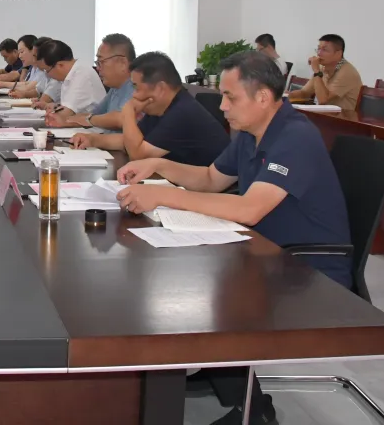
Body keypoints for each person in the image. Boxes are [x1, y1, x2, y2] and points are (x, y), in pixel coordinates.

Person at [117, 51, 352, 425]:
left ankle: (252, 410)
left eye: (230, 97)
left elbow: (249, 210)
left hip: (309, 269)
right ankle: (221, 373)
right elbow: (211, 179)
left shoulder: (295, 136)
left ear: (263, 97)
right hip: (264, 250)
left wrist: (162, 195)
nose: (223, 106)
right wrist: (158, 165)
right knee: (182, 274)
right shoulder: (252, 133)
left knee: (198, 288)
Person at [72, 51, 228, 164]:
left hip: (211, 193)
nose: (134, 95)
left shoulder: (182, 112)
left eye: (136, 87)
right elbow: (132, 141)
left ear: (160, 88)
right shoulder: (160, 107)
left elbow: (138, 155)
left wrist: (127, 113)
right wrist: (93, 139)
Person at [48, 33, 135, 130]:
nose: (98, 68)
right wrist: (65, 121)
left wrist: (89, 124)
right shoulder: (115, 88)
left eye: (101, 62)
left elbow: (120, 119)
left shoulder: (135, 87)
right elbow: (94, 115)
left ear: (123, 63)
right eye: (97, 63)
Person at [289, 33, 362, 112]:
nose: (319, 53)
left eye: (324, 50)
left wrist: (316, 71)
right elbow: (304, 93)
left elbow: (323, 100)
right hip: (324, 114)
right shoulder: (322, 68)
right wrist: (284, 95)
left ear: (338, 53)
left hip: (342, 117)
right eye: (318, 49)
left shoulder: (346, 72)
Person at [39, 39, 106, 116]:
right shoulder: (71, 74)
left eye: (47, 70)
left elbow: (65, 115)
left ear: (60, 65)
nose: (47, 75)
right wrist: (53, 106)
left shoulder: (81, 74)